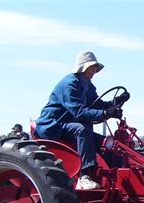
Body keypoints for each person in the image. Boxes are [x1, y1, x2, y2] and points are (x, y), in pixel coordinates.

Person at [35, 51, 129, 189]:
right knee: (82, 129)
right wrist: (105, 113)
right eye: (93, 68)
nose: (95, 71)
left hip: (68, 125)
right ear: (83, 67)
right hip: (54, 125)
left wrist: (115, 103)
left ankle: (113, 177)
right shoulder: (69, 84)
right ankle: (84, 176)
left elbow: (96, 104)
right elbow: (78, 112)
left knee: (106, 143)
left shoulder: (87, 85)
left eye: (96, 68)